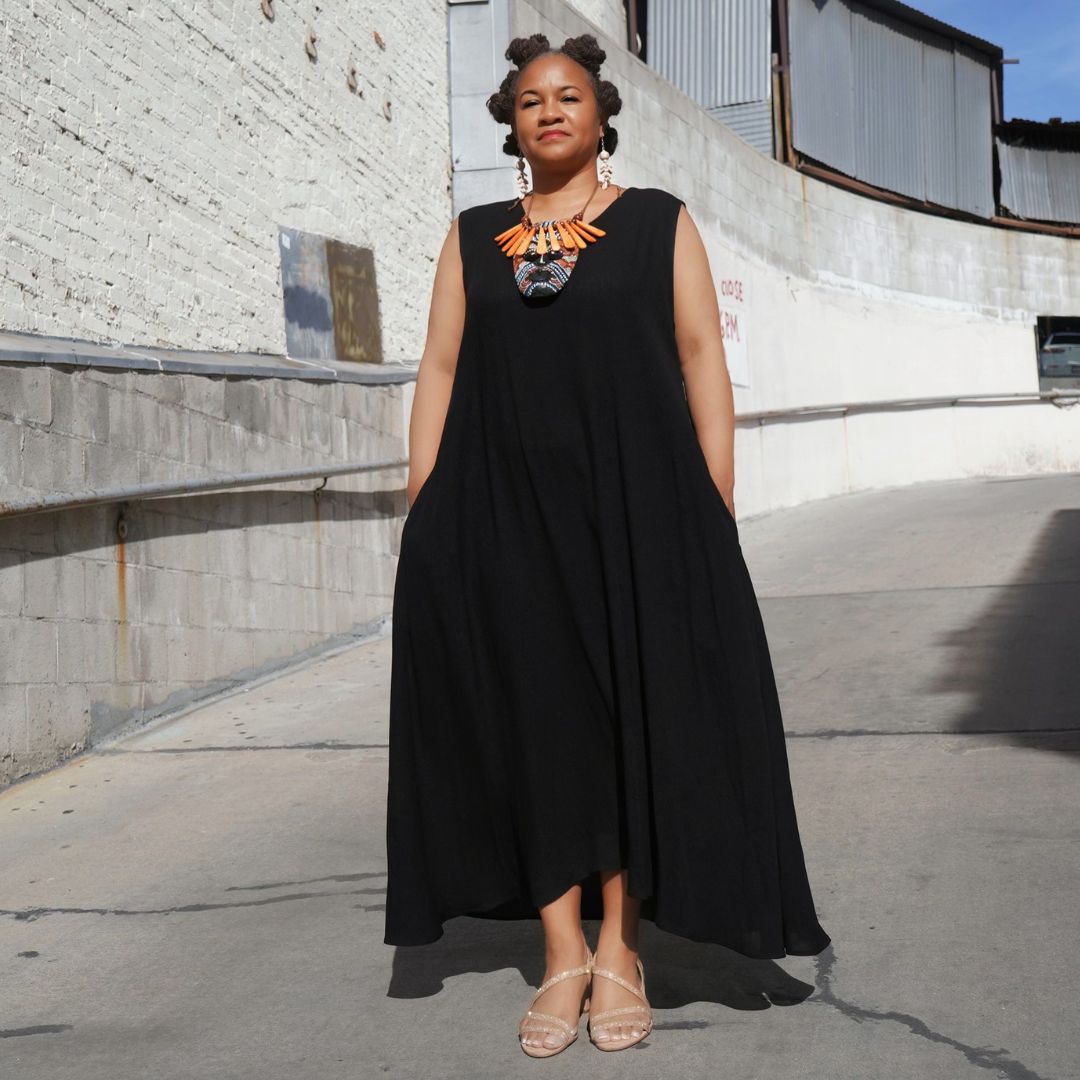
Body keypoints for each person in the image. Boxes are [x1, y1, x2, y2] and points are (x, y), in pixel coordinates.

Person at [383, 31, 831, 1058]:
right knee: (534, 725)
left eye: (569, 96)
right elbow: (441, 370)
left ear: (599, 116)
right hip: (502, 520)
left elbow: (700, 357)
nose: (550, 110)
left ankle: (621, 945)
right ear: (511, 120)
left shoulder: (657, 224)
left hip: (638, 513)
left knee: (633, 719)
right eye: (532, 99)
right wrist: (430, 502)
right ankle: (561, 952)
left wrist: (709, 505)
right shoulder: (472, 235)